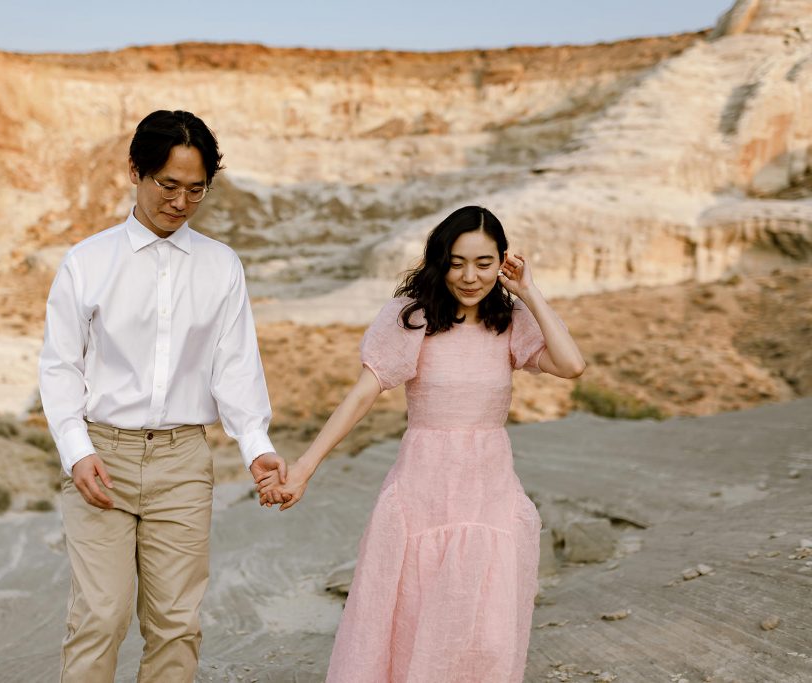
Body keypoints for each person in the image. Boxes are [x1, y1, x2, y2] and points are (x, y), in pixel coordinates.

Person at [258, 206, 585, 681]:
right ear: (439, 261)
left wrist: (530, 291)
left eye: (483, 263)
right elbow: (362, 395)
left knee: (488, 633)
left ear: (503, 263)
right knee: (413, 624)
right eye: (456, 263)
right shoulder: (412, 318)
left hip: (489, 495)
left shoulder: (509, 320)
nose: (470, 276)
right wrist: (305, 467)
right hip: (424, 493)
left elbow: (571, 365)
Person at [39, 109, 289, 683]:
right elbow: (59, 366)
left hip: (183, 461)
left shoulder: (222, 266)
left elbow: (235, 367)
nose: (180, 202)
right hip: (101, 456)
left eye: (195, 189)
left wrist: (256, 446)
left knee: (177, 623)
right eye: (168, 185)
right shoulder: (87, 262)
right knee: (100, 617)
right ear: (135, 171)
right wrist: (76, 450)